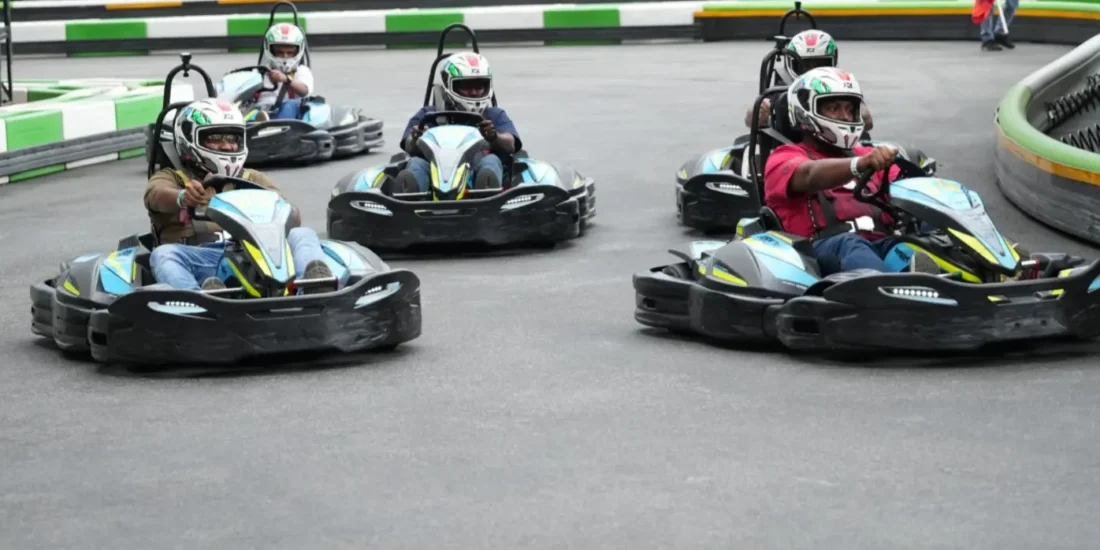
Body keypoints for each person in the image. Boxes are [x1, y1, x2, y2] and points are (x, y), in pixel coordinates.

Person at [144, 98, 333, 292]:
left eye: (232, 139)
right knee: (163, 254)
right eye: (216, 138)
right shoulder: (171, 178)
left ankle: (312, 287)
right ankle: (200, 298)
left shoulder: (252, 178)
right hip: (203, 257)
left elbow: (291, 214)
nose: (227, 147)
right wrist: (182, 197)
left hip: (257, 254)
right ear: (191, 139)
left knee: (302, 234)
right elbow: (155, 195)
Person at [762, 67, 938, 275]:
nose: (844, 116)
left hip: (880, 243)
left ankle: (935, 283)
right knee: (851, 244)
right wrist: (859, 164)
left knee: (909, 247)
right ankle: (887, 291)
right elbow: (809, 175)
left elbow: (909, 188)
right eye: (834, 108)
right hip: (819, 252)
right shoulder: (784, 156)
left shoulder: (868, 153)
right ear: (805, 110)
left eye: (849, 109)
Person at [394, 51, 522, 194]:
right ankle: (409, 198)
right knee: (416, 164)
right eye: (466, 87)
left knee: (491, 160)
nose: (474, 92)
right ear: (449, 85)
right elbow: (408, 145)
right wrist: (417, 139)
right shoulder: (427, 115)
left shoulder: (494, 115)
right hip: (434, 176)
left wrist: (493, 137)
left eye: (479, 86)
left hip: (477, 174)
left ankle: (487, 195)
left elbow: (511, 144)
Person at [744, 30, 874, 135]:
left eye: (819, 65)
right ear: (791, 64)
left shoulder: (841, 85)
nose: (812, 71)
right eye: (806, 66)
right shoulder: (781, 92)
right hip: (794, 147)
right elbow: (751, 118)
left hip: (837, 143)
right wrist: (761, 114)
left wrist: (856, 115)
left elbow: (867, 121)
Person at [247, 22, 314, 122]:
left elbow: (304, 91)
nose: (285, 57)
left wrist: (286, 79)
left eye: (290, 52)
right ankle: (259, 121)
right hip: (261, 111)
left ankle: (272, 125)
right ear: (270, 49)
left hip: (288, 115)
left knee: (290, 104)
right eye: (280, 52)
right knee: (247, 109)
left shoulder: (302, 71)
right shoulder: (259, 72)